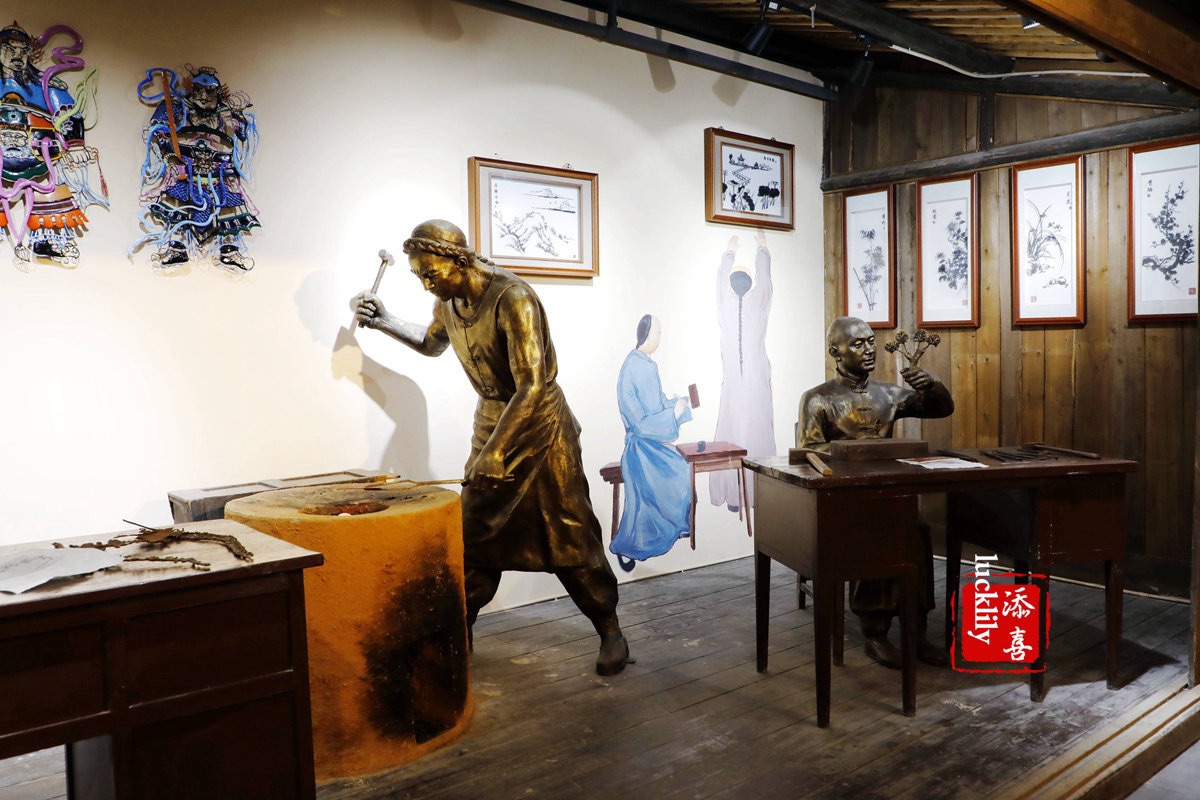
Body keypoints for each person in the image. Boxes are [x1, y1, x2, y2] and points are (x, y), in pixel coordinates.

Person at [353, 219, 630, 676]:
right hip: (492, 422)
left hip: (539, 427)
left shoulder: (512, 297)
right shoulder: (448, 301)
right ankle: (458, 634)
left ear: (459, 260)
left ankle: (610, 630)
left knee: (568, 532)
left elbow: (532, 384)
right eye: (419, 276)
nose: (426, 285)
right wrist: (383, 321)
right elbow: (430, 343)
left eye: (430, 274)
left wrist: (497, 452)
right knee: (474, 534)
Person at [797, 316, 954, 669]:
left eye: (870, 341)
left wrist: (932, 385)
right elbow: (809, 451)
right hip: (841, 499)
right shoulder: (817, 399)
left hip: (886, 493)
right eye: (857, 344)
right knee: (878, 529)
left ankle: (916, 627)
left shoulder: (889, 394)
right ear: (835, 351)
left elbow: (941, 408)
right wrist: (856, 454)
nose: (868, 350)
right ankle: (875, 630)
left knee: (917, 530)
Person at [0, 22, 105, 265]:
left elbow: (68, 113)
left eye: (23, 50)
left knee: (52, 191)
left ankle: (46, 240)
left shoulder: (45, 85)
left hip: (39, 153)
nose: (17, 55)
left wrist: (75, 144)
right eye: (9, 49)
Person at [136, 65, 260, 270]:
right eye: (199, 90)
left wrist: (237, 116)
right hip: (187, 169)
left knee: (226, 206)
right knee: (179, 205)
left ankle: (229, 249)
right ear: (192, 89)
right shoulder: (178, 107)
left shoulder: (225, 113)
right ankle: (177, 247)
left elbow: (242, 134)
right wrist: (170, 157)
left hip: (219, 171)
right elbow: (157, 130)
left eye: (209, 91)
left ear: (217, 93)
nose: (203, 96)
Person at [611, 314, 693, 570]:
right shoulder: (632, 366)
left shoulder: (647, 364)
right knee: (679, 470)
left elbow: (657, 404)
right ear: (646, 335)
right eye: (658, 332)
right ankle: (645, 539)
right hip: (641, 448)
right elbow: (640, 422)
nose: (660, 337)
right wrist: (673, 414)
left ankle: (675, 526)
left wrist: (680, 405)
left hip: (652, 444)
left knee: (683, 466)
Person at [711, 230, 774, 511]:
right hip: (739, 382)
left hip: (752, 380)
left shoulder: (749, 302)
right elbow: (765, 281)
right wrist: (758, 250)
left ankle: (750, 494)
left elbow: (763, 282)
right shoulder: (737, 302)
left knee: (751, 431)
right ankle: (738, 495)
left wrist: (734, 253)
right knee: (737, 432)